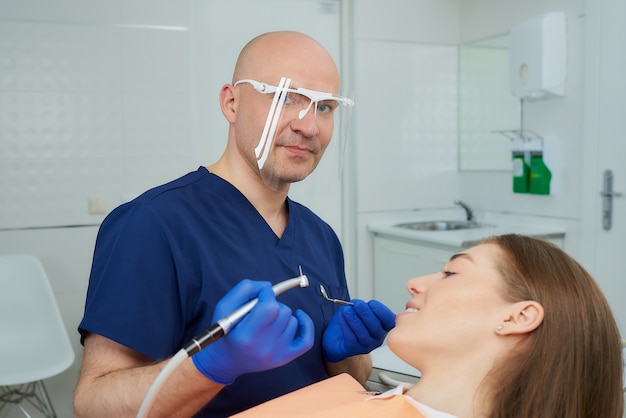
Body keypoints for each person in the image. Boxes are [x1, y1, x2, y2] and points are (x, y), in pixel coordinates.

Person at [73, 30, 395, 418]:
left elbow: (354, 379)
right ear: (231, 103)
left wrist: (345, 354)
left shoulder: (320, 235)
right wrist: (210, 367)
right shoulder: (153, 224)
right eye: (284, 97)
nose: (309, 126)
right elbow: (93, 403)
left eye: (324, 106)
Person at [232, 234, 624, 418]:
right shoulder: (367, 396)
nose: (415, 283)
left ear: (516, 317)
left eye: (452, 272)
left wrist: (211, 365)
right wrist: (339, 366)